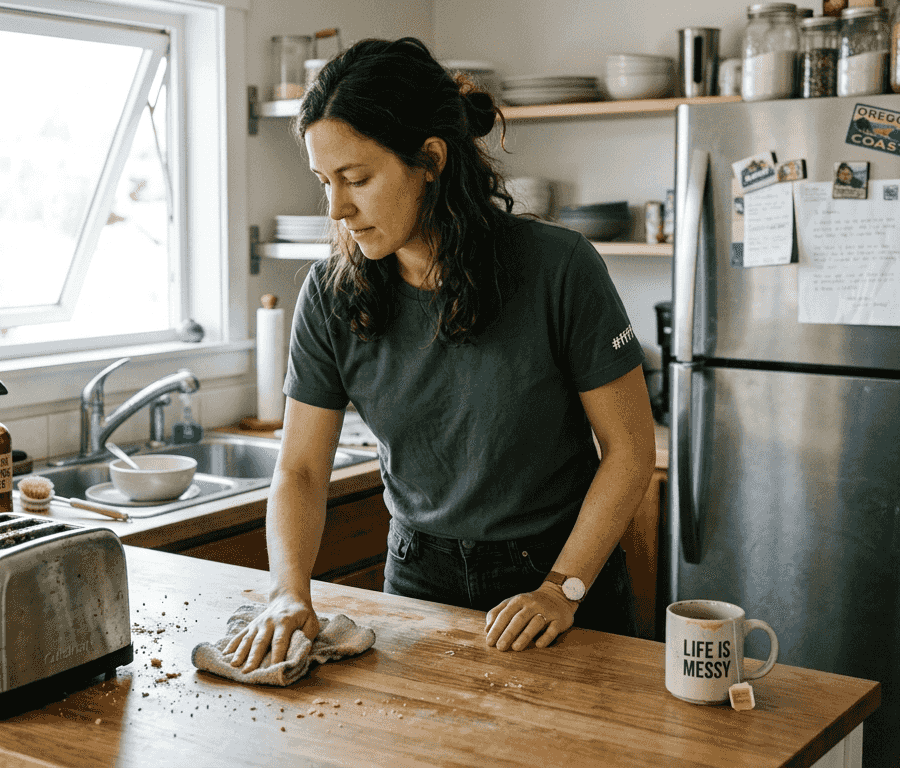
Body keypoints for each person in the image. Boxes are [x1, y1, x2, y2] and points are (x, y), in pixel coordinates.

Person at [221, 37, 655, 671]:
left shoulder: (558, 268)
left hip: (558, 577)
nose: (337, 209)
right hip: (418, 576)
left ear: (430, 160)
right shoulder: (331, 293)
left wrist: (562, 589)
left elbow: (630, 449)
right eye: (325, 182)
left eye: (357, 179)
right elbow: (302, 472)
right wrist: (288, 592)